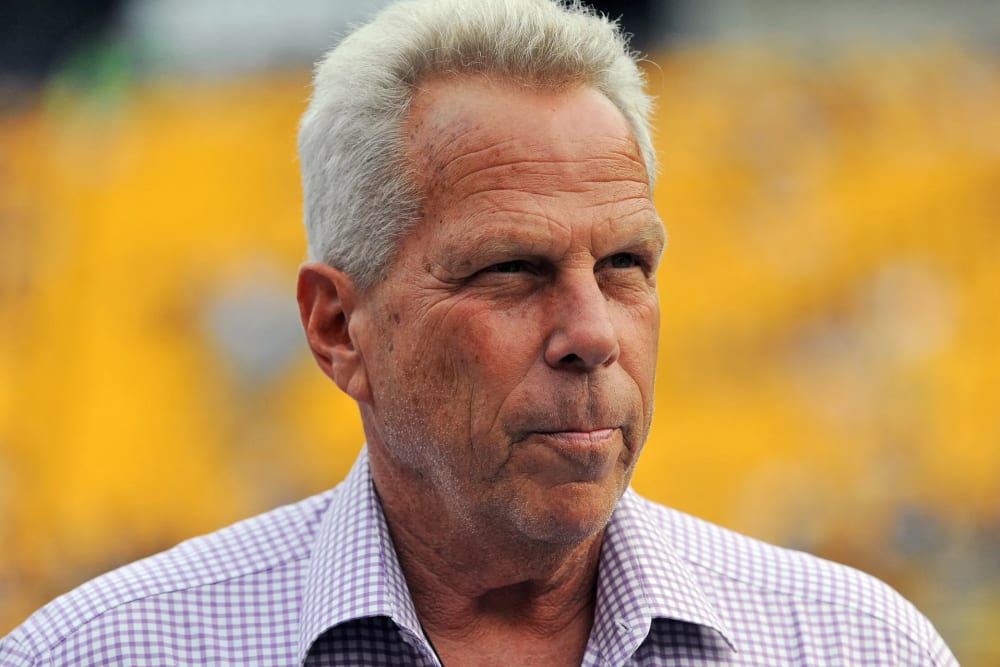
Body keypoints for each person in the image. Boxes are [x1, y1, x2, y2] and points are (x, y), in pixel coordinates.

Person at [1, 1, 958, 665]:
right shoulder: (106, 648)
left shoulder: (857, 643)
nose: (593, 333)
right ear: (338, 328)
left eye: (626, 265)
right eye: (512, 271)